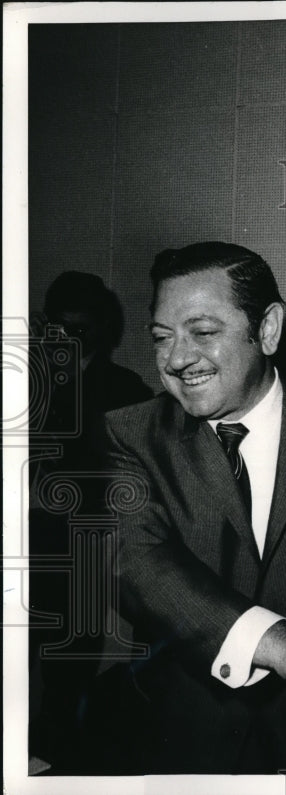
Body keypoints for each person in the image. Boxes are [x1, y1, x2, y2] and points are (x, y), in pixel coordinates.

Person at [100, 242, 286, 773]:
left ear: (269, 329)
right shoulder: (132, 435)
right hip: (184, 748)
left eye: (203, 333)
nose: (176, 359)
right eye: (162, 338)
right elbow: (136, 564)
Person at [29, 271, 153, 772]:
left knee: (67, 662)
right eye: (58, 329)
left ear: (101, 331)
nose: (69, 341)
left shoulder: (124, 390)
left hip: (80, 545)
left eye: (81, 331)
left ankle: (50, 760)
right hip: (24, 540)